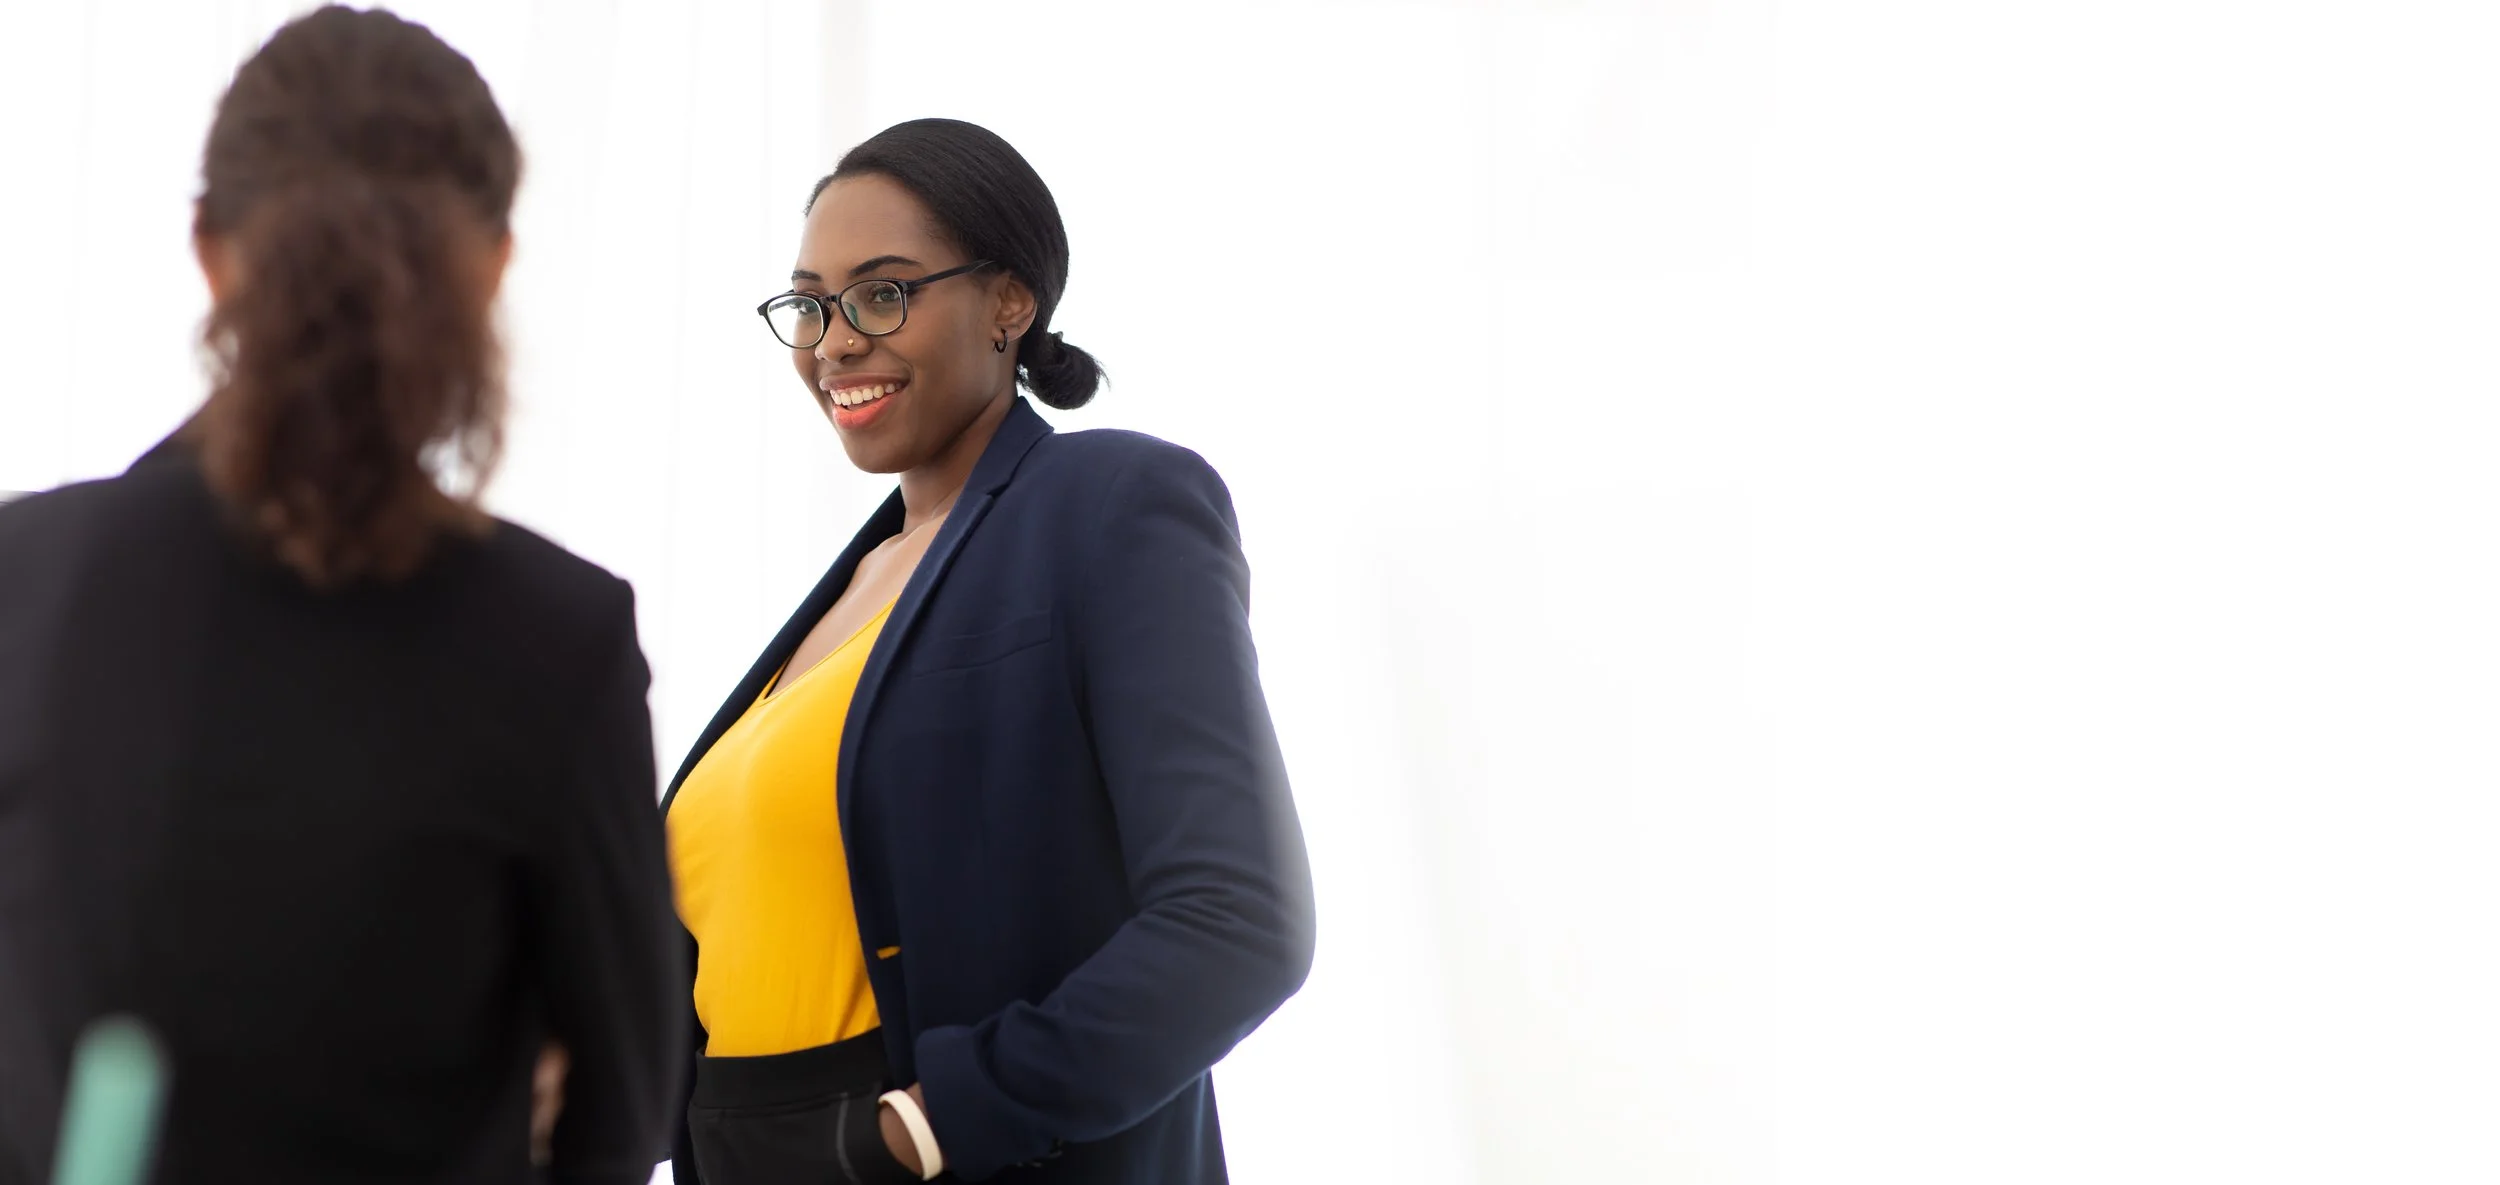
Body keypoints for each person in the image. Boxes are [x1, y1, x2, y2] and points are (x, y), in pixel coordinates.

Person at [0, 8, 684, 1185]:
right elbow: (622, 1110)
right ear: (494, 266)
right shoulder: (559, 637)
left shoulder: (28, 577)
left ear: (210, 249)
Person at [661, 118, 1316, 1184]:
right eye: (811, 304)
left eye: (882, 294)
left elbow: (1239, 923)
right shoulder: (849, 588)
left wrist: (925, 1128)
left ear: (1008, 301)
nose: (832, 341)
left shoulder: (1105, 506)